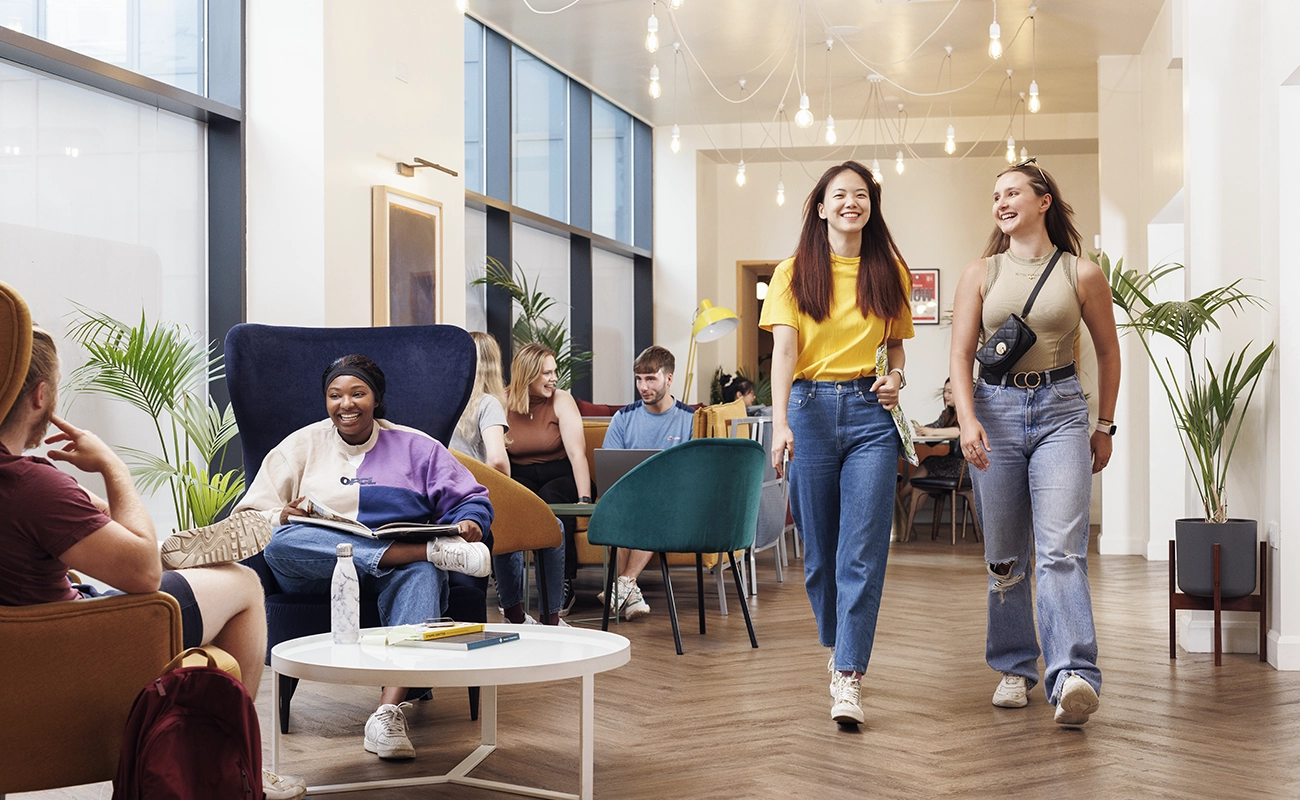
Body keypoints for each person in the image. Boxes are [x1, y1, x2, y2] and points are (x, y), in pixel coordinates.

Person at [0, 320, 305, 800]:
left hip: (21, 658)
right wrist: (111, 466)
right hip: (78, 649)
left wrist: (79, 520)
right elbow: (143, 573)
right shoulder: (31, 485)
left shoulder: (32, 485)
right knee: (244, 583)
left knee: (166, 562)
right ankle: (228, 766)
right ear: (40, 396)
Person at [235, 354, 494, 760]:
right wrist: (282, 513)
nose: (346, 404)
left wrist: (471, 524)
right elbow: (249, 517)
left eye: (358, 393)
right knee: (282, 542)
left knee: (423, 574)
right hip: (316, 567)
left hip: (396, 573)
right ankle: (426, 551)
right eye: (335, 395)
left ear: (376, 399)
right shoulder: (300, 446)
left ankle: (387, 714)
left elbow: (471, 497)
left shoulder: (417, 447)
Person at [949, 157, 1120, 727]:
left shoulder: (1082, 273)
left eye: (1012, 191)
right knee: (1005, 556)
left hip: (1062, 413)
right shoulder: (981, 272)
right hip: (993, 414)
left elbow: (1108, 352)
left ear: (1043, 200)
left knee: (1061, 551)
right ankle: (1014, 666)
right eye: (995, 195)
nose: (1000, 202)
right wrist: (967, 420)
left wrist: (1106, 425)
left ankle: (1072, 674)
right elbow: (959, 355)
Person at [761, 160, 914, 727]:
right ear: (821, 207)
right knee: (819, 557)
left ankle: (848, 674)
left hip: (873, 417)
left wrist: (896, 379)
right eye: (839, 195)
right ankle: (837, 644)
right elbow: (782, 353)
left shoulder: (890, 271)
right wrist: (779, 423)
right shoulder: (793, 273)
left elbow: (895, 348)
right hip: (809, 410)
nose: (851, 202)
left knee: (862, 551)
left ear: (871, 206)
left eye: (861, 194)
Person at [451, 332, 564, 625]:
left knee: (508, 526)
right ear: (492, 364)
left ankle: (514, 612)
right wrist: (506, 491)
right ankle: (551, 619)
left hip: (446, 503)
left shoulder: (445, 401)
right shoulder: (488, 403)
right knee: (555, 528)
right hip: (475, 501)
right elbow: (498, 460)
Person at [596, 345, 695, 620]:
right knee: (617, 507)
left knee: (653, 503)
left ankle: (624, 583)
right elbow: (610, 470)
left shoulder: (689, 419)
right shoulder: (624, 418)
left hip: (673, 503)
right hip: (630, 499)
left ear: (669, 379)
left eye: (650, 379)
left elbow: (692, 474)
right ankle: (630, 591)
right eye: (639, 378)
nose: (643, 386)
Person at [504, 343, 591, 616]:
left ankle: (561, 584)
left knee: (552, 500)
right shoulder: (501, 401)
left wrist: (584, 500)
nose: (554, 378)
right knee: (516, 504)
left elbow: (577, 453)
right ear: (527, 374)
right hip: (519, 475)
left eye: (554, 372)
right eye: (546, 373)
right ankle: (510, 590)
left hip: (560, 473)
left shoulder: (561, 399)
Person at [904, 378, 964, 487]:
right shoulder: (947, 414)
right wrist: (923, 430)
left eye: (950, 392)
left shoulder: (966, 414)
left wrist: (932, 431)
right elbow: (934, 427)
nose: (946, 395)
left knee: (929, 464)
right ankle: (903, 501)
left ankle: (901, 499)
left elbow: (960, 431)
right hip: (951, 461)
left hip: (965, 466)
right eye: (944, 391)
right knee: (929, 464)